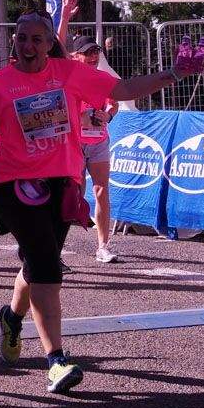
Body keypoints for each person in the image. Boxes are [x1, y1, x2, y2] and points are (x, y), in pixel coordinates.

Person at [0, 12, 193, 393]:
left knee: (39, 262)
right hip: (13, 185)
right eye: (21, 38)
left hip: (62, 184)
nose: (27, 46)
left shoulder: (69, 73)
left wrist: (174, 74)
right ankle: (56, 360)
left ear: (50, 43)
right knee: (46, 266)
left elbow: (123, 89)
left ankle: (12, 317)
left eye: (36, 39)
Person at [71, 36, 121, 263]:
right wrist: (79, 117)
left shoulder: (104, 78)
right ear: (75, 56)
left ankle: (103, 246)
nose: (92, 57)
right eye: (87, 53)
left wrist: (108, 115)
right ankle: (55, 248)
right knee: (74, 194)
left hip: (98, 141)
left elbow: (114, 103)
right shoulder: (69, 79)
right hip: (74, 142)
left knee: (101, 190)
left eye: (95, 52)